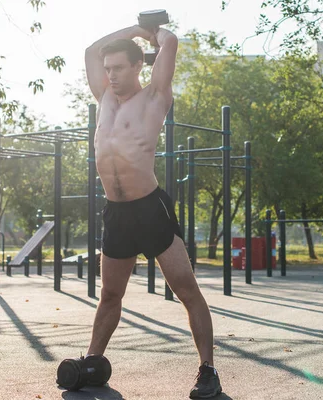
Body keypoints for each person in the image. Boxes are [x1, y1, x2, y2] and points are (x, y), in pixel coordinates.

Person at [82, 23, 223, 399]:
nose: (110, 74)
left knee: (186, 290)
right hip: (117, 213)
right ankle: (93, 361)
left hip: (150, 209)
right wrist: (131, 28)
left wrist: (150, 32)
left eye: (118, 68)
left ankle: (207, 370)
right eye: (107, 68)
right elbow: (90, 50)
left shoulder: (155, 97)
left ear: (138, 67)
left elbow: (171, 42)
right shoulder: (104, 100)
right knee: (110, 295)